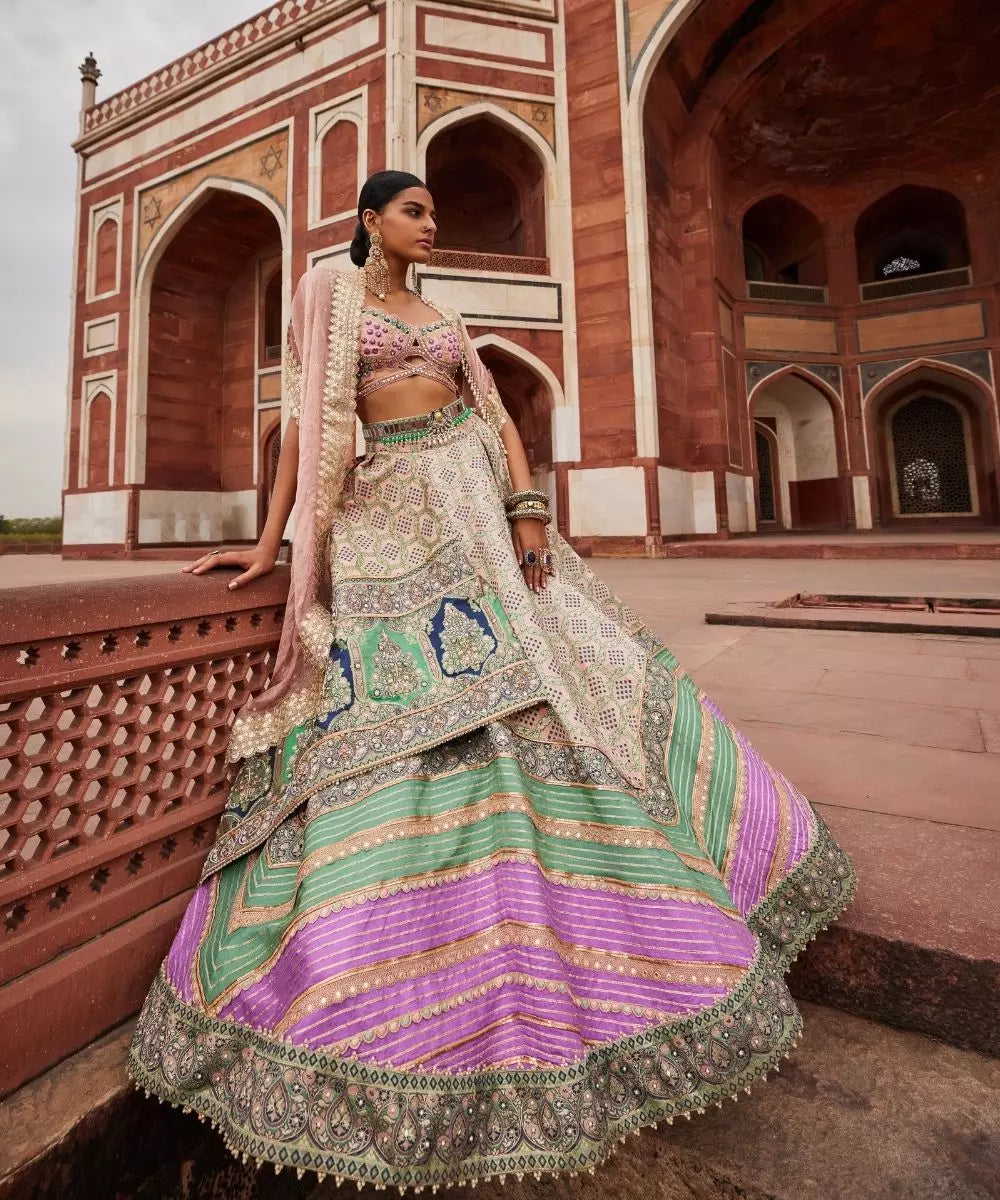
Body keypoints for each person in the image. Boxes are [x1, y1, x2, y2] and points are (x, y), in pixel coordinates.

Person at [127, 170, 856, 1191]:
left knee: (566, 672)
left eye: (435, 210)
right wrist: (268, 545)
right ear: (372, 220)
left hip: (474, 499)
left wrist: (526, 509)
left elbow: (499, 413)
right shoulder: (329, 294)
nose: (434, 224)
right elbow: (308, 426)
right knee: (409, 697)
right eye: (416, 211)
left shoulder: (443, 315)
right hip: (390, 510)